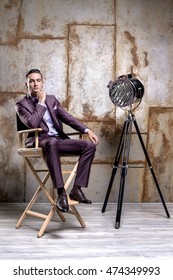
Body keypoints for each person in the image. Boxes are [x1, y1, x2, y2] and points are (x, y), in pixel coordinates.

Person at [15, 69, 98, 212]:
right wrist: (41, 103)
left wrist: (87, 130)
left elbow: (67, 117)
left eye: (38, 80)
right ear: (26, 84)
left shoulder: (52, 99)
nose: (35, 84)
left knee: (89, 145)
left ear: (42, 82)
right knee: (51, 143)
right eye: (32, 81)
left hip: (57, 140)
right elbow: (32, 123)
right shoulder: (21, 105)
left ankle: (76, 189)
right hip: (38, 140)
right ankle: (61, 193)